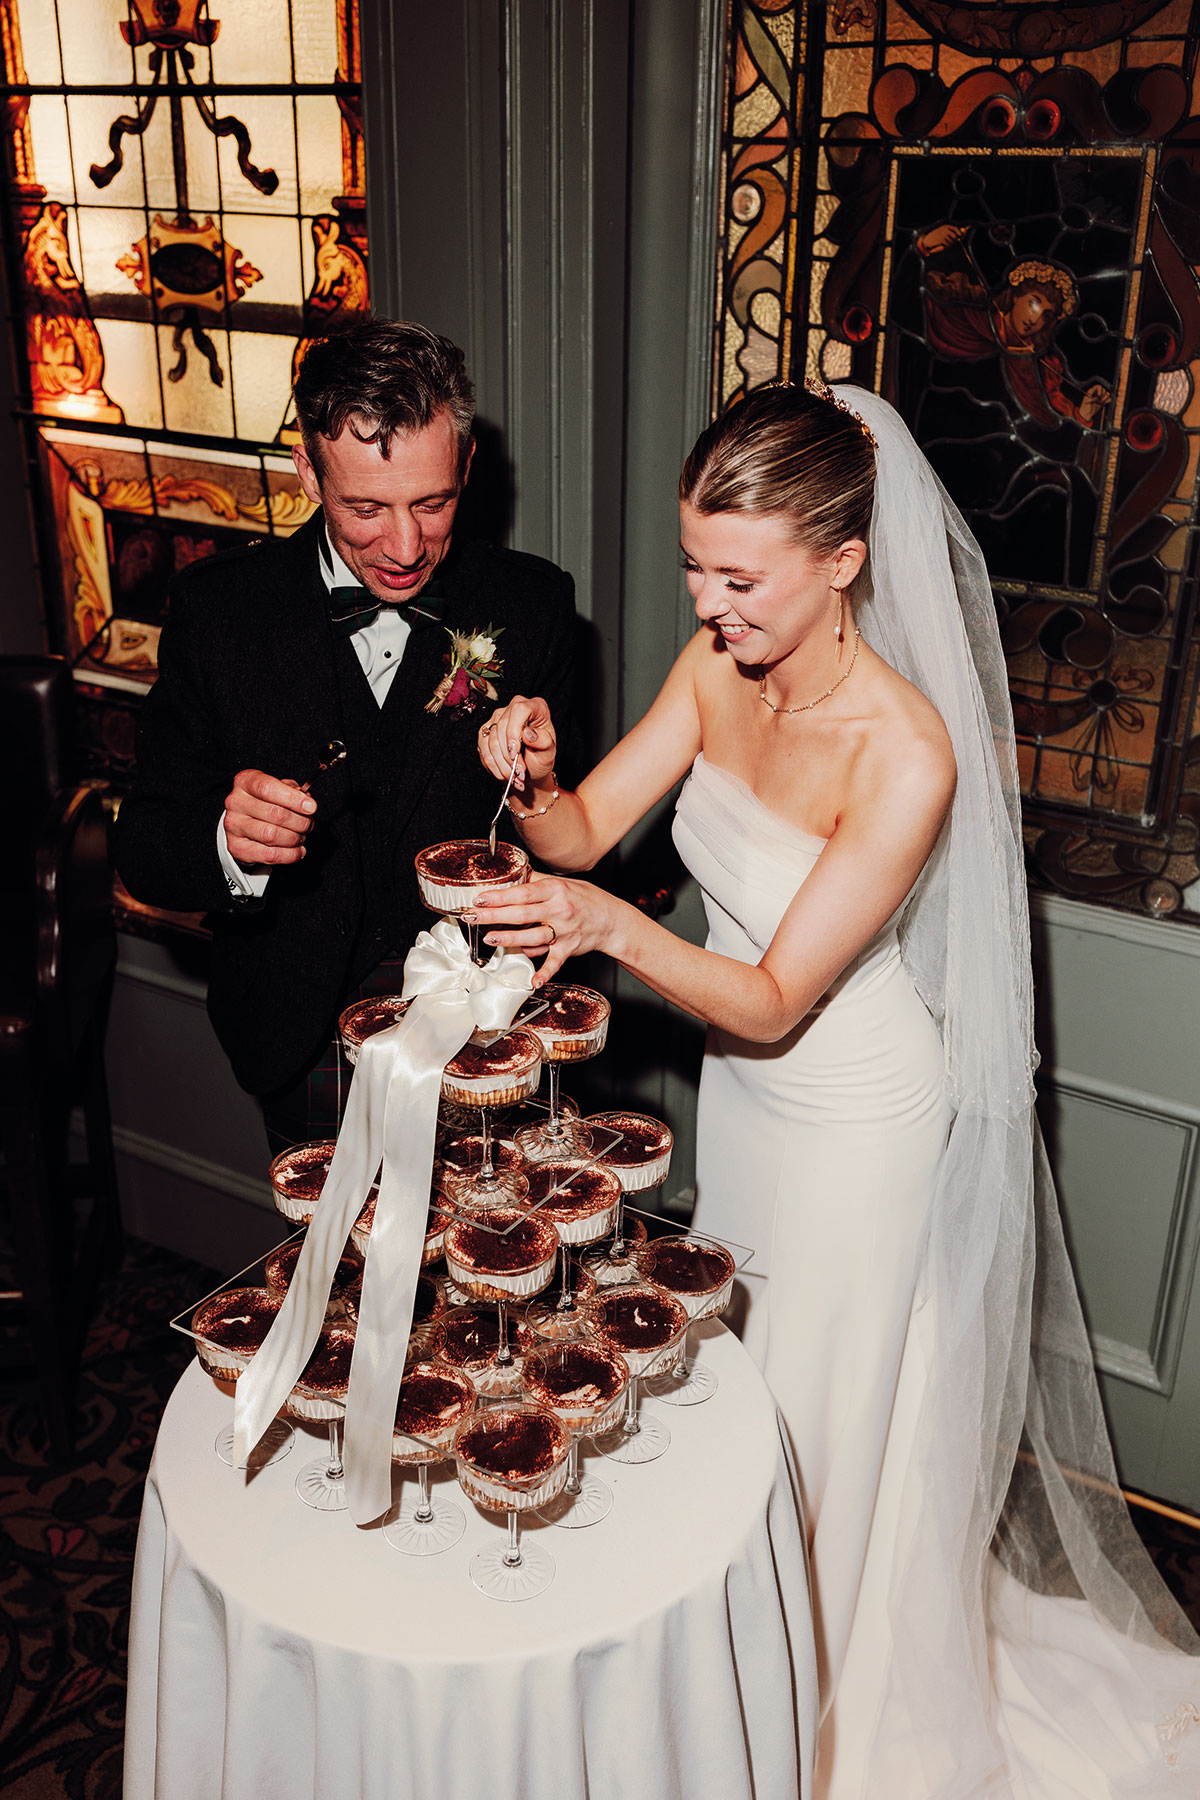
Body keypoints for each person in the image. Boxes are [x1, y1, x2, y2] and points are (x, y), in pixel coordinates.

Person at [472, 383, 1199, 1796]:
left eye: (738, 577)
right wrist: (537, 769)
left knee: (823, 1425)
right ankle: (736, 1671)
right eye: (694, 566)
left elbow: (776, 995)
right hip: (751, 1109)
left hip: (860, 1119)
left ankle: (810, 1720)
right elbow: (579, 834)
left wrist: (616, 930)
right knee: (742, 1408)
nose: (707, 600)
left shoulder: (907, 752)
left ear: (845, 560)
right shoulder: (710, 669)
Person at [113, 319, 576, 1151]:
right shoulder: (220, 613)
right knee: (334, 1277)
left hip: (485, 1029)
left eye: (432, 503)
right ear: (307, 470)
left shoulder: (534, 607)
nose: (404, 548)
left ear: (467, 465)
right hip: (301, 1038)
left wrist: (540, 782)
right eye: (365, 507)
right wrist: (227, 839)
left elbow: (578, 841)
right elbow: (144, 846)